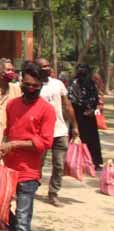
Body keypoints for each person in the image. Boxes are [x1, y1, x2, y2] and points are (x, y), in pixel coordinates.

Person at [0, 62, 55, 231]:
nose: (30, 88)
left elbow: (45, 142)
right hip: (9, 169)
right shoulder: (12, 105)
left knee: (22, 218)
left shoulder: (47, 110)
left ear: (41, 85)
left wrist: (14, 144)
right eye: (27, 84)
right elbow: (8, 131)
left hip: (29, 172)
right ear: (21, 82)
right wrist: (2, 148)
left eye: (35, 86)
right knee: (0, 209)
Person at [36, 58, 78, 207]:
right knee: (37, 163)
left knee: (59, 165)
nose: (47, 68)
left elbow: (67, 105)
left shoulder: (58, 84)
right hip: (40, 132)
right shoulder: (34, 85)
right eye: (43, 66)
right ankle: (32, 185)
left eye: (48, 66)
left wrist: (74, 126)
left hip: (60, 130)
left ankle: (53, 193)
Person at [69, 63, 103, 169]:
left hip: (89, 116)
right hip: (77, 115)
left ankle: (93, 161)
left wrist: (92, 109)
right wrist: (84, 107)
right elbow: (71, 99)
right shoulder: (74, 83)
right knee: (77, 138)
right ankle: (76, 162)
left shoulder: (91, 83)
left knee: (91, 139)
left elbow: (95, 98)